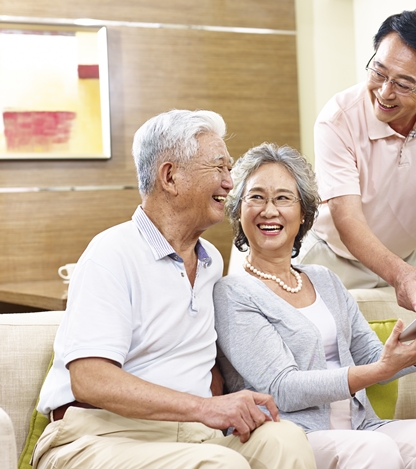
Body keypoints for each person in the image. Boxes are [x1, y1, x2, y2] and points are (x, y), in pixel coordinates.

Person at [32, 110, 316, 469]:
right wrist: (204, 408)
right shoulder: (111, 252)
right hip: (99, 436)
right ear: (170, 176)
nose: (230, 183)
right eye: (218, 168)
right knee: (221, 465)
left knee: (286, 439)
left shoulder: (211, 261)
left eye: (229, 169)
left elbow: (202, 358)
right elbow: (90, 379)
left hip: (188, 433)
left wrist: (227, 402)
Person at [214, 142, 416, 469]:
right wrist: (380, 369)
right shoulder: (233, 291)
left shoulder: (325, 280)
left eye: (283, 198)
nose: (269, 210)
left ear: (303, 212)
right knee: (374, 449)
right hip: (294, 435)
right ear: (237, 209)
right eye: (256, 197)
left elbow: (373, 357)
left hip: (361, 426)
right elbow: (282, 388)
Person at [295, 8, 416, 313]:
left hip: (409, 259)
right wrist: (397, 273)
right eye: (378, 72)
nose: (385, 92)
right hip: (337, 260)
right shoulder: (338, 119)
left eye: (403, 84)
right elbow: (347, 218)